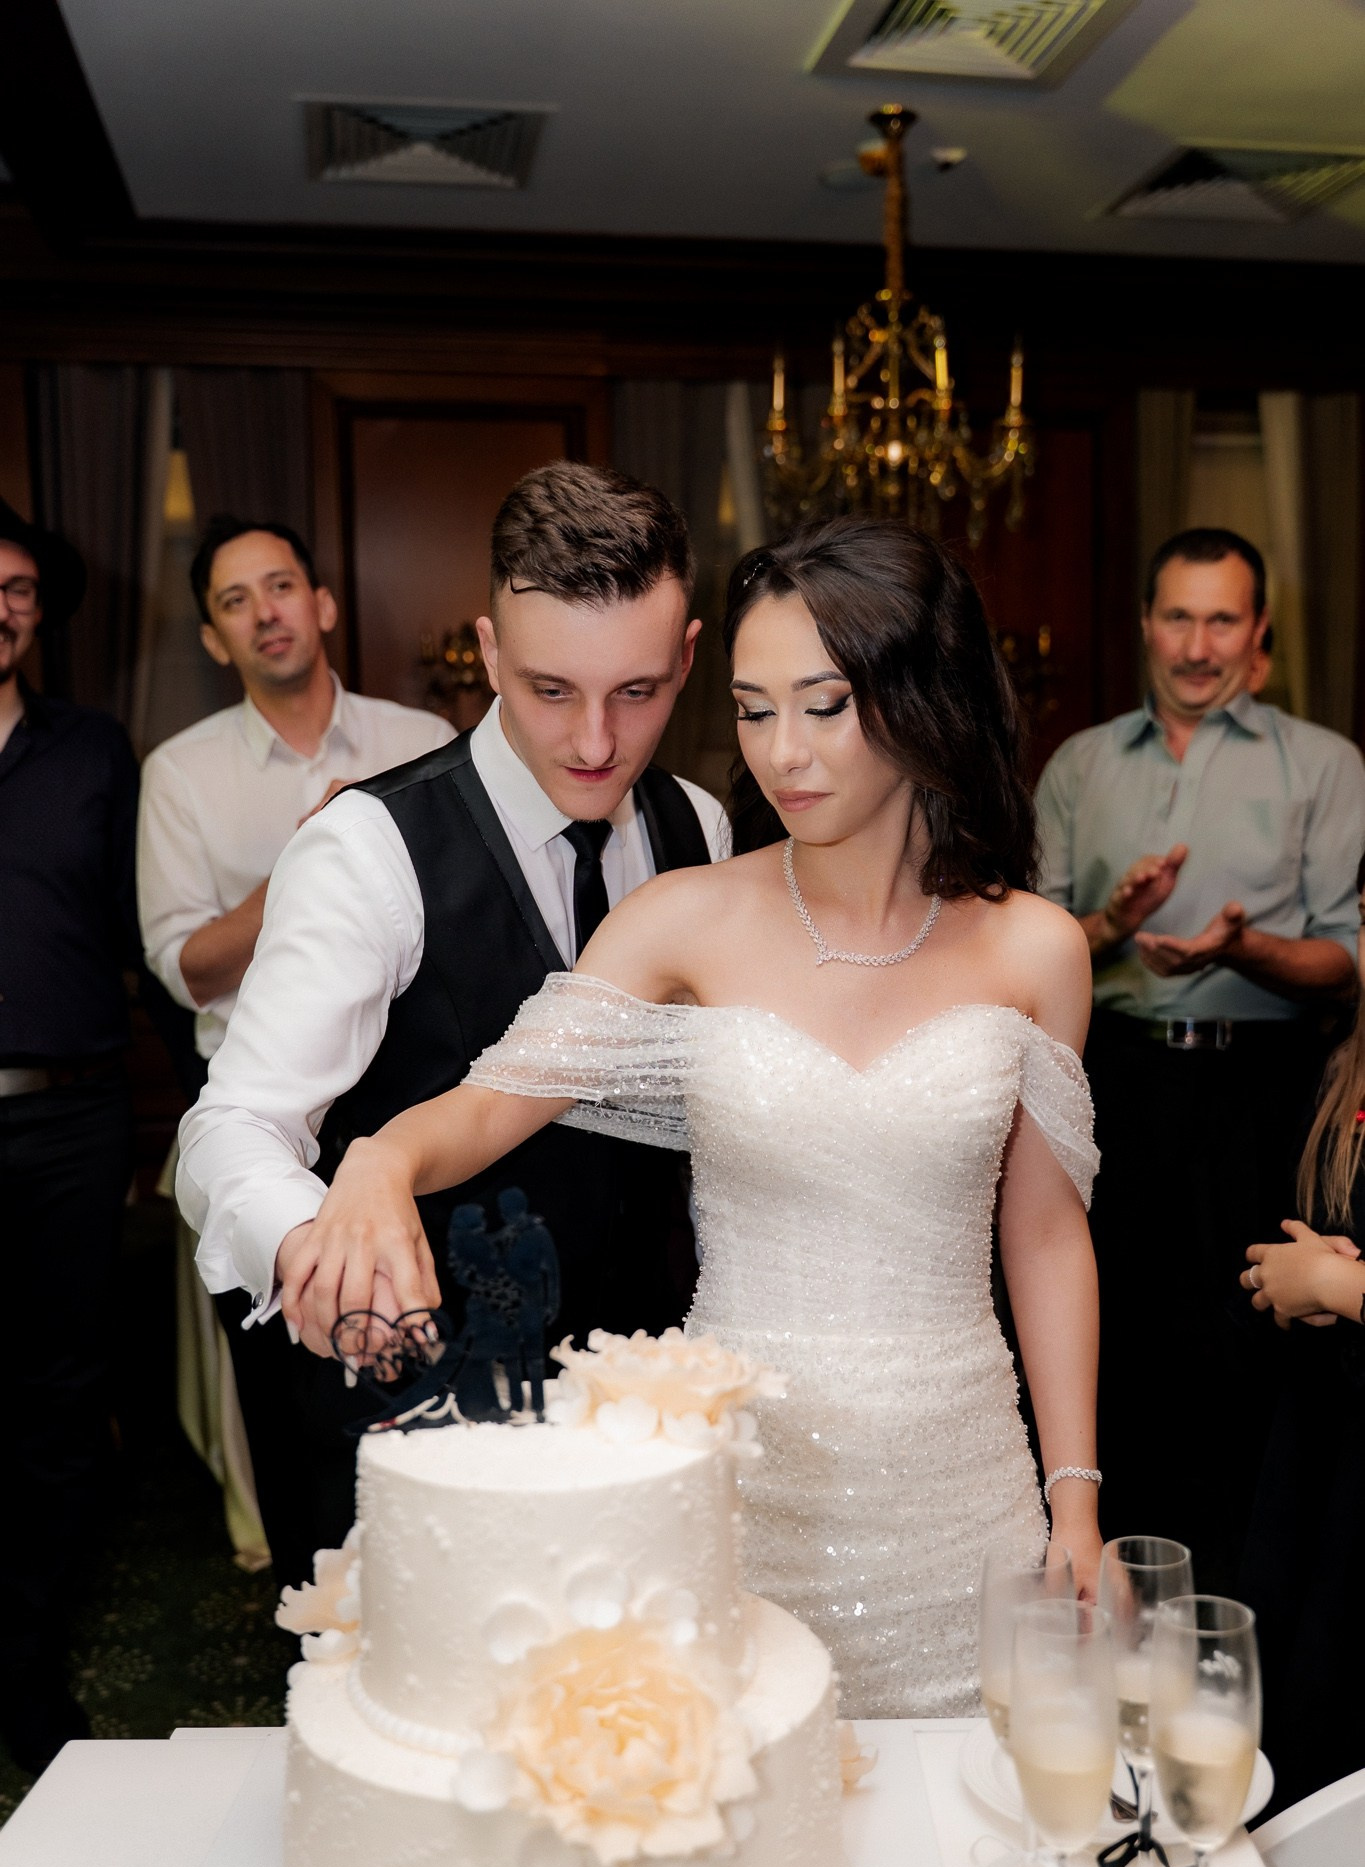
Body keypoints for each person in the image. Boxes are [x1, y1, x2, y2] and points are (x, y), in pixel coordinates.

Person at [279, 519, 1103, 1718]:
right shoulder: (683, 918)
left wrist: (1075, 1495)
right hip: (739, 1480)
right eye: (754, 709)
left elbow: (1046, 1234)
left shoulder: (1038, 949)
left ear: (924, 696)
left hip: (964, 1486)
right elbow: (491, 1104)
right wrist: (379, 1156)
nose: (782, 752)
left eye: (824, 706)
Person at [176, 465, 727, 1597]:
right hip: (419, 1394)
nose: (594, 739)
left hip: (638, 1396)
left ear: (686, 658)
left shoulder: (702, 828)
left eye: (636, 691)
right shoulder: (369, 847)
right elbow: (230, 1126)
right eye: (549, 689)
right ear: (488, 650)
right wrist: (311, 1246)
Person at [1036, 528, 1364, 1591]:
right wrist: (1112, 922)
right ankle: (1110, 1588)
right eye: (1177, 616)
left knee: (1253, 1344)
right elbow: (1028, 947)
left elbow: (1348, 959)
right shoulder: (1080, 764)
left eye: (1222, 620)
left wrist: (1242, 947)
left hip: (1267, 1089)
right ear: (1145, 623)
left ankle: (1238, 1601)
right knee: (1115, 1338)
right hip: (1113, 1081)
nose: (1195, 645)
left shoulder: (1325, 764)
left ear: (1259, 631)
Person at [138, 514, 453, 1592]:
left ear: (321, 604)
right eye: (235, 600)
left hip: (417, 1110)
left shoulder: (422, 737)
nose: (265, 612)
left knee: (424, 1393)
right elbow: (185, 968)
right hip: (258, 1121)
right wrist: (322, 859)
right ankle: (311, 1620)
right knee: (290, 1412)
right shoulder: (180, 774)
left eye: (280, 586)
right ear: (215, 638)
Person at [0, 500, 140, 1774]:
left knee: (59, 1398)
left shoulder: (94, 750)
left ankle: (27, 1665)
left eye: (18, 588)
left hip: (73, 1117)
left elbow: (135, 932)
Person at [1238, 844, 1365, 1867]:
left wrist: (1339, 1284)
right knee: (1303, 1757)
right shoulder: (1345, 1060)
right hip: (1322, 1453)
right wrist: (1303, 1278)